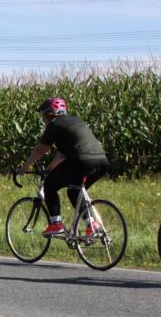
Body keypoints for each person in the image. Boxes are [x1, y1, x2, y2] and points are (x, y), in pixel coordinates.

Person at [17, 97, 110, 237]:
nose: (43, 120)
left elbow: (41, 149)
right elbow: (62, 154)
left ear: (50, 114)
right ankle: (92, 226)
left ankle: (55, 224)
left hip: (82, 160)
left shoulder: (55, 124)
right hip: (101, 161)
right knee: (75, 191)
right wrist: (50, 168)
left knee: (49, 184)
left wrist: (24, 167)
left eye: (43, 116)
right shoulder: (76, 121)